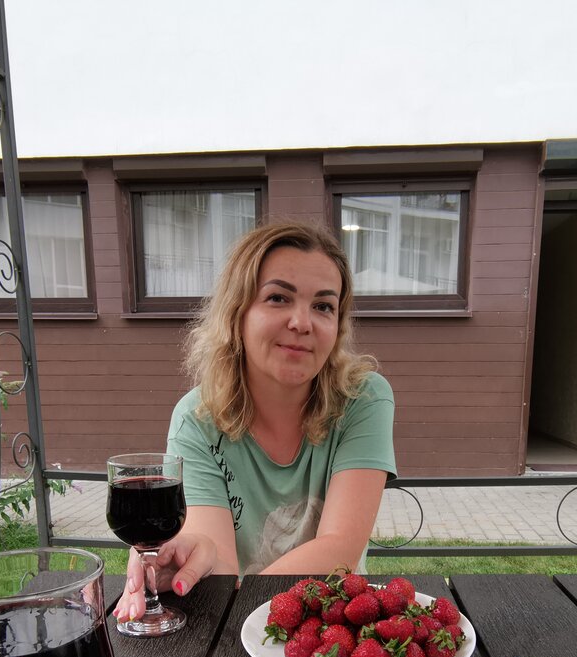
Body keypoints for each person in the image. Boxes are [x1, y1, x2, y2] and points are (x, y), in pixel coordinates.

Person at [114, 219, 396, 624]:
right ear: (237, 313)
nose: (302, 323)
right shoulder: (197, 419)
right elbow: (220, 564)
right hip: (243, 627)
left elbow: (340, 549)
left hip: (335, 621)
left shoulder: (363, 398)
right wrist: (189, 558)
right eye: (278, 298)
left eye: (323, 306)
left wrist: (242, 595)